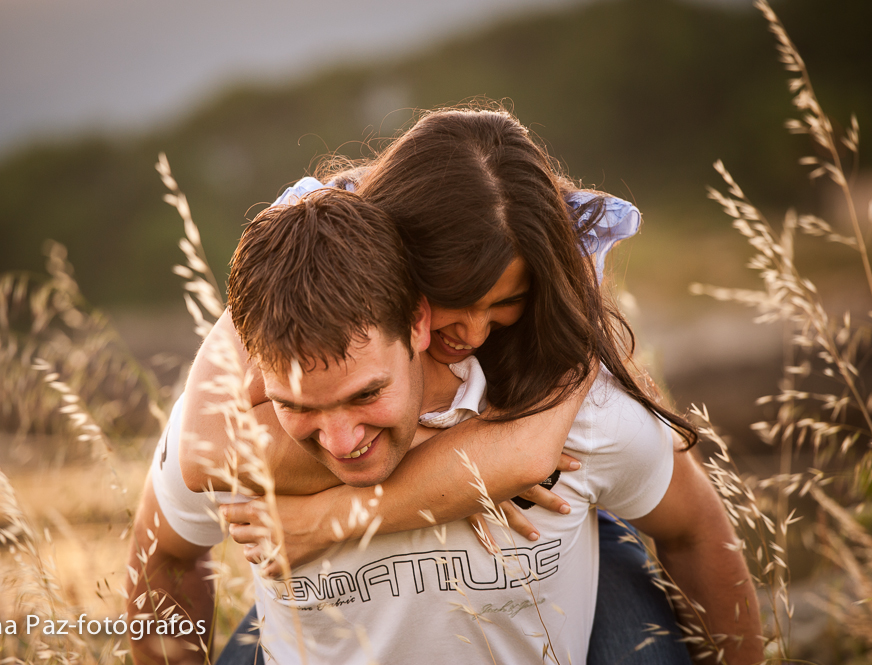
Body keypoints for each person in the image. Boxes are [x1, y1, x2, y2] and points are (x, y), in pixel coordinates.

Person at [125, 107, 759, 663]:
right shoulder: (311, 260)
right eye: (457, 299)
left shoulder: (567, 362)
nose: (476, 331)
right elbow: (199, 458)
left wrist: (334, 518)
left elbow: (538, 456)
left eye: (506, 302)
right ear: (408, 290)